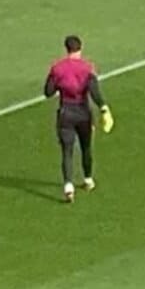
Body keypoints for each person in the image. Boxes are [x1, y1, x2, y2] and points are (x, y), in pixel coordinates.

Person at [43, 34, 112, 203]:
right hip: (83, 112)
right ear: (80, 48)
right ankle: (88, 179)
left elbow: (48, 92)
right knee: (86, 146)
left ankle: (68, 186)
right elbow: (94, 91)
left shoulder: (57, 68)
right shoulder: (87, 68)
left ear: (66, 48)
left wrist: (57, 82)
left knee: (67, 151)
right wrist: (103, 107)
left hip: (66, 112)